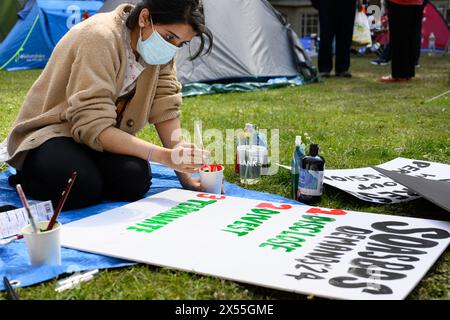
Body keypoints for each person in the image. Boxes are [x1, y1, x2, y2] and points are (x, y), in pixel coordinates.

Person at [5, 0, 214, 210]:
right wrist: (163, 156)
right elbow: (91, 122)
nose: (172, 48)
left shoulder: (159, 49)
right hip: (53, 131)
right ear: (144, 18)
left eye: (181, 43)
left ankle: (81, 171)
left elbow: (165, 106)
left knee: (134, 179)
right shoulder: (100, 36)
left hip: (96, 136)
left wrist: (185, 174)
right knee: (77, 186)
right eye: (169, 37)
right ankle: (31, 173)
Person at [381, 0, 424, 82]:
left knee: (398, 37)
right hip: (416, 3)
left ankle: (399, 74)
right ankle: (408, 74)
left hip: (399, 2)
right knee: (411, 36)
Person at [316, 0, 357, 78]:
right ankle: (324, 68)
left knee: (345, 35)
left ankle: (342, 68)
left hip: (348, 3)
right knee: (326, 35)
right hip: (327, 3)